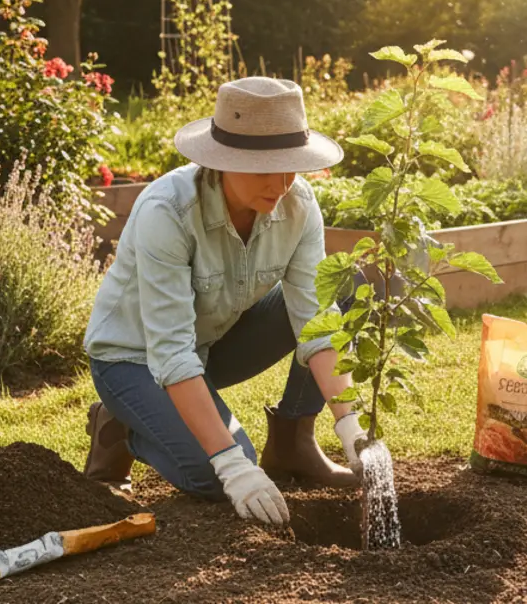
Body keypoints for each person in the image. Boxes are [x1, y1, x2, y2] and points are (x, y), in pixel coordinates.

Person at [82, 77, 366, 526]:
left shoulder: (298, 205)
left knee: (343, 283)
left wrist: (351, 426)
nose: (281, 184)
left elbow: (317, 319)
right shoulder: (167, 213)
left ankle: (293, 442)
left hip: (211, 342)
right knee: (219, 474)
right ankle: (121, 423)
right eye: (264, 169)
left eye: (290, 165)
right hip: (133, 358)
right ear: (223, 161)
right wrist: (233, 465)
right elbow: (171, 353)